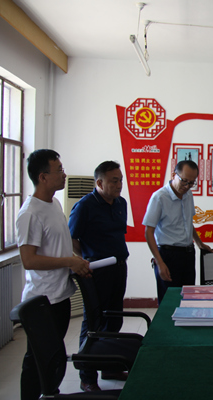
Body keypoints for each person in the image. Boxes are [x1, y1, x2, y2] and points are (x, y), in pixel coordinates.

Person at [16, 149, 91, 399]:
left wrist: (75, 260)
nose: (64, 174)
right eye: (59, 170)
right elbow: (29, 260)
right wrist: (69, 262)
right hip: (42, 300)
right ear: (43, 177)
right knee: (36, 359)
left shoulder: (54, 203)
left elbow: (59, 246)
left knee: (54, 356)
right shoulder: (30, 213)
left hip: (60, 295)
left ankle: (50, 393)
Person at [68, 161, 129, 390]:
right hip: (96, 271)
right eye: (114, 181)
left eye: (121, 180)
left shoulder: (121, 203)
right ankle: (87, 377)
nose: (119, 185)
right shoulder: (85, 206)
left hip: (119, 267)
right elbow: (72, 238)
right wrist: (87, 259)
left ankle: (109, 366)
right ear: (100, 183)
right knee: (94, 322)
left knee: (114, 319)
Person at [143, 160, 212, 304]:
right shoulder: (159, 197)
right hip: (168, 256)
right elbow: (149, 232)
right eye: (184, 181)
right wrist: (160, 262)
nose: (187, 186)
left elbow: (188, 223)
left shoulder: (188, 195)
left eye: (191, 183)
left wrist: (199, 243)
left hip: (188, 254)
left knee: (188, 299)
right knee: (169, 302)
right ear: (174, 175)